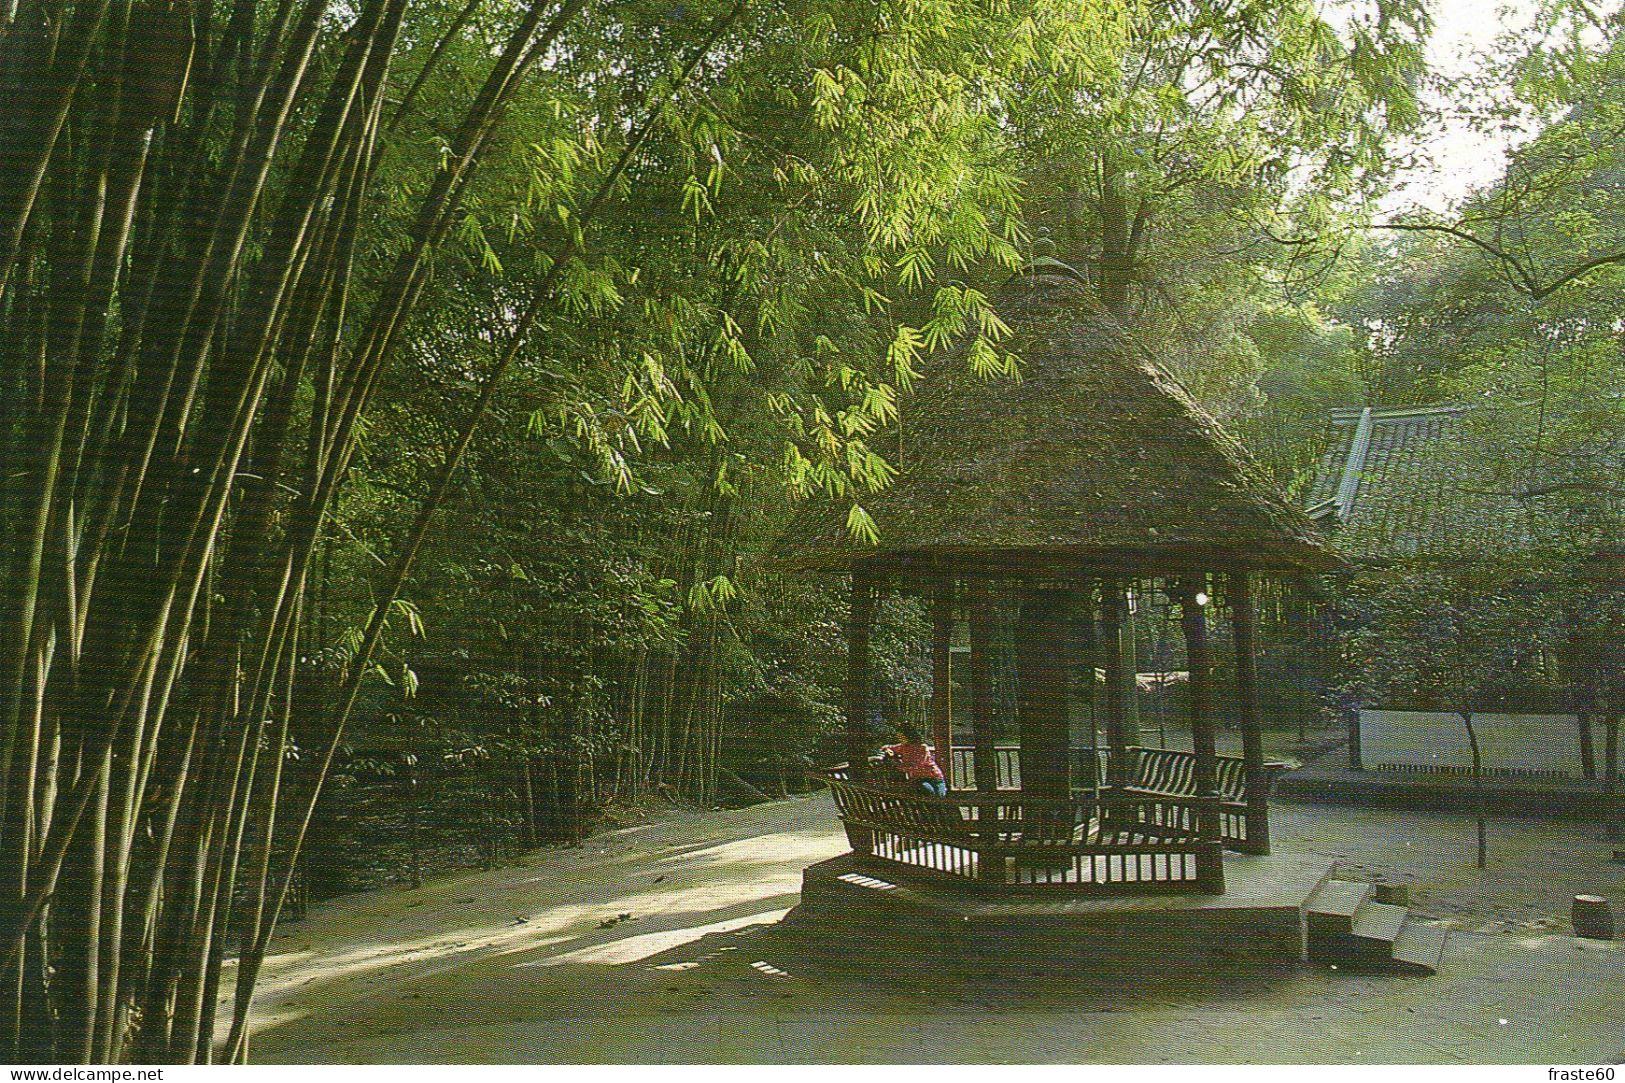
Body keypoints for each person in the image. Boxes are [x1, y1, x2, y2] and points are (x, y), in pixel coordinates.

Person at [880, 723, 947, 798]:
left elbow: (918, 765)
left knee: (940, 797)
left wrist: (900, 767)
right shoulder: (903, 746)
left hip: (935, 777)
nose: (899, 739)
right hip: (920, 779)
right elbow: (887, 747)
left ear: (908, 736)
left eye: (901, 737)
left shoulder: (922, 747)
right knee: (929, 793)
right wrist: (887, 750)